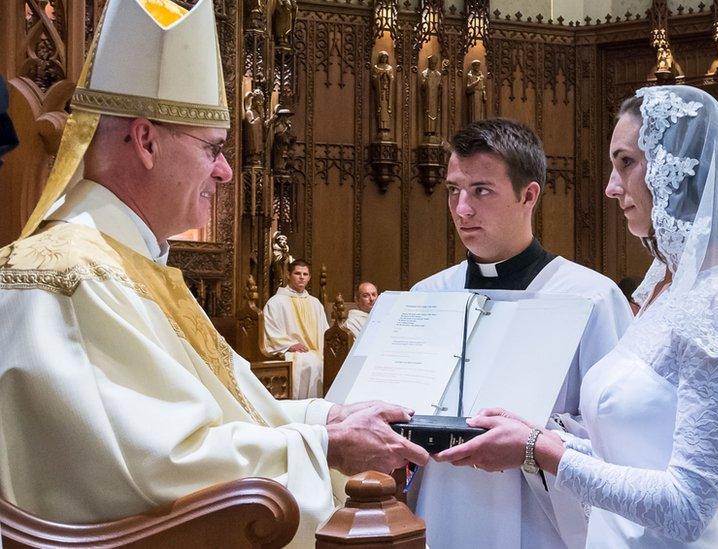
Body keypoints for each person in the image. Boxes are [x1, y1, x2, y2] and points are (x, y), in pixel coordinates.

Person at [0, 1, 426, 546]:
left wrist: (327, 420)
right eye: (213, 149)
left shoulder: (126, 264)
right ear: (145, 140)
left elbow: (212, 418)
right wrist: (326, 448)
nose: (226, 171)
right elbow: (160, 472)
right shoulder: (76, 279)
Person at [435, 86, 718, 548]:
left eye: (626, 162)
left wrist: (540, 450)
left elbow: (688, 506)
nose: (611, 186)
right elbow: (628, 455)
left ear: (679, 169)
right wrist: (537, 436)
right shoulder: (665, 291)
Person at [411, 118, 633, 548]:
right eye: (454, 190)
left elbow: (619, 435)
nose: (462, 209)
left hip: (542, 517)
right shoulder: (428, 295)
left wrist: (534, 438)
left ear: (529, 194)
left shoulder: (590, 297)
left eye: (481, 190)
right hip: (441, 508)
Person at [263, 259, 329, 398]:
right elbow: (270, 332)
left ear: (309, 277)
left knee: (323, 362)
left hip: (316, 351)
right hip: (290, 352)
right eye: (297, 273)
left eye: (305, 274)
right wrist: (290, 345)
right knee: (310, 363)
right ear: (288, 275)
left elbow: (325, 332)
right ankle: (302, 405)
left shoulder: (315, 303)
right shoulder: (276, 302)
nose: (301, 277)